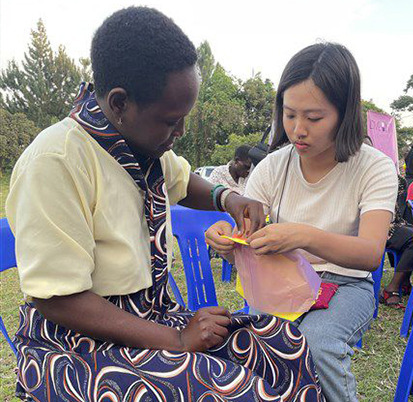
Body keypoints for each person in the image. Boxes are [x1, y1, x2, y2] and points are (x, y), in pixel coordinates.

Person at [6, 8, 325, 401]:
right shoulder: (55, 161)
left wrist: (230, 198)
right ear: (119, 103)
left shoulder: (139, 143)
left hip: (151, 318)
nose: (180, 132)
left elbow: (182, 181)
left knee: (283, 345)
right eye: (171, 121)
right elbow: (57, 299)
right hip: (75, 344)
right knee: (230, 390)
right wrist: (175, 340)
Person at [206, 42, 398, 402]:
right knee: (259, 341)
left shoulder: (374, 167)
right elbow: (250, 244)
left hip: (346, 285)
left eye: (313, 118)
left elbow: (371, 254)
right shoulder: (273, 166)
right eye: (289, 114)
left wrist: (302, 236)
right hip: (282, 280)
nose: (298, 130)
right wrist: (230, 243)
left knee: (317, 345)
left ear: (344, 113)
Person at [380, 174, 413, 307]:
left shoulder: (396, 179)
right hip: (378, 225)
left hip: (396, 221)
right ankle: (391, 289)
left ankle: (404, 282)